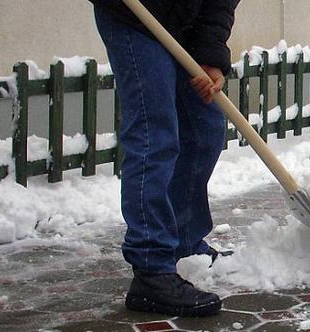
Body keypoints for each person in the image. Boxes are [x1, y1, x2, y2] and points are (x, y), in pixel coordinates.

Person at [88, 0, 240, 317]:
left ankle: (185, 245)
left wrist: (210, 56)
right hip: (134, 16)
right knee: (154, 133)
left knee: (205, 129)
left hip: (185, 22)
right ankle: (151, 268)